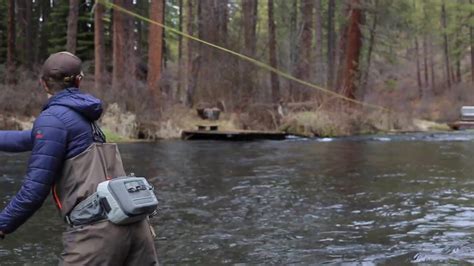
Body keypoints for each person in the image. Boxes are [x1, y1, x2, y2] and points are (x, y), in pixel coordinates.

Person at [0, 52, 158, 265]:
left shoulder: (53, 120)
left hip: (98, 233)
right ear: (79, 80)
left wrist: (3, 224)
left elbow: (34, 191)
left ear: (43, 83)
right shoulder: (83, 114)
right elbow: (28, 139)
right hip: (137, 226)